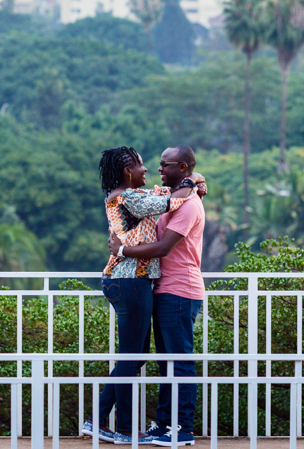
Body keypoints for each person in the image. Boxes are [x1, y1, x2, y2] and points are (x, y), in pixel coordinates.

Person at [83, 146, 203, 444]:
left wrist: (195, 179)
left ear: (182, 167)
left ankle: (116, 422)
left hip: (143, 282)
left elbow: (172, 195)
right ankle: (115, 425)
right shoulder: (131, 198)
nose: (151, 170)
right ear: (127, 171)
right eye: (144, 165)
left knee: (144, 357)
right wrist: (191, 183)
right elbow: (170, 198)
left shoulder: (151, 197)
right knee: (135, 356)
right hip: (129, 280)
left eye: (164, 165)